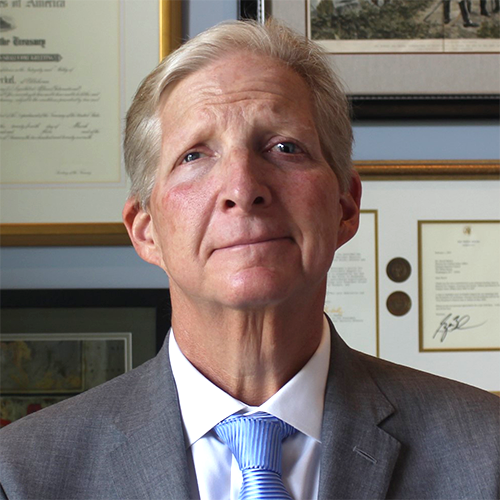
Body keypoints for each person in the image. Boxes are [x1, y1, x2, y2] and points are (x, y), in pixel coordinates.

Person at [1, 19, 500, 500]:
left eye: (285, 147)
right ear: (146, 230)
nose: (242, 189)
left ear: (345, 207)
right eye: (194, 155)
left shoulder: (486, 452)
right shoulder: (21, 473)